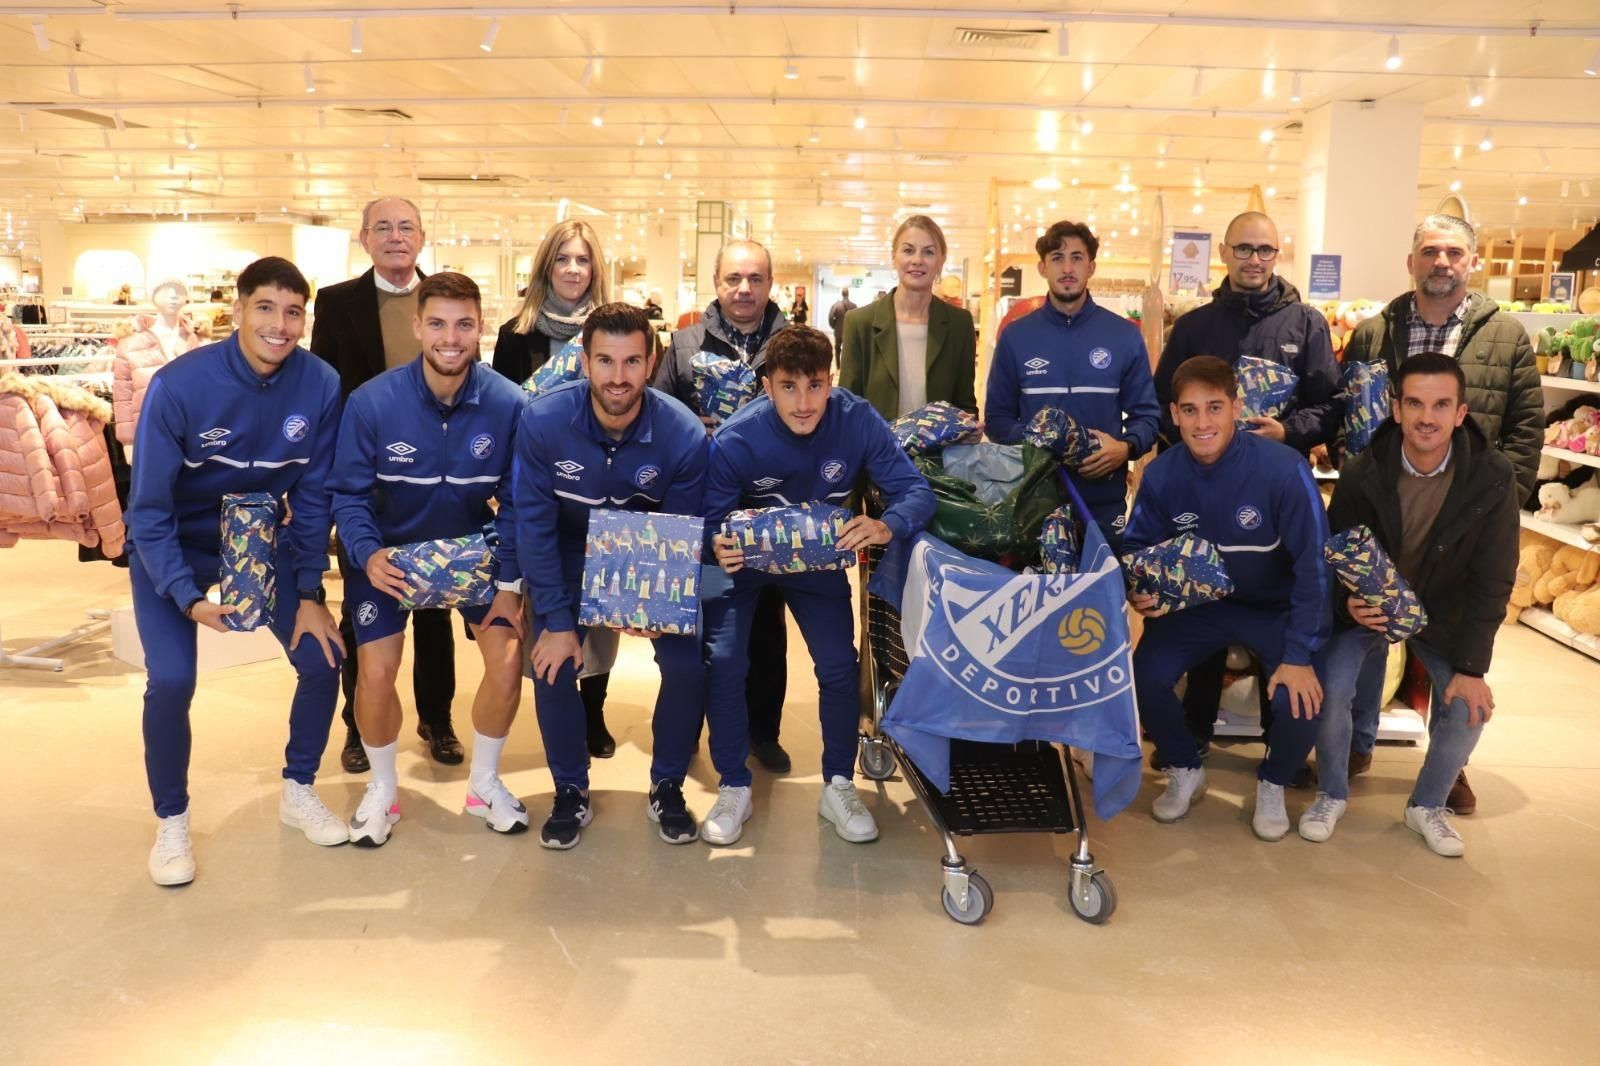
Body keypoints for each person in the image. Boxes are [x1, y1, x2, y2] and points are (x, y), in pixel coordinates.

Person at [126, 256, 348, 886]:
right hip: (174, 544)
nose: (281, 325)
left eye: (294, 311)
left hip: (257, 539)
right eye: (266, 308)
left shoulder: (322, 384)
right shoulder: (178, 385)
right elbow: (147, 508)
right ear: (238, 311)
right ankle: (172, 819)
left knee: (323, 656)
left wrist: (309, 590)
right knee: (170, 679)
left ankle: (298, 788)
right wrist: (185, 594)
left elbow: (313, 499)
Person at [696, 325, 936, 845]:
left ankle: (837, 783)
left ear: (831, 381)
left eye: (816, 385)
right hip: (744, 563)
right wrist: (715, 541)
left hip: (817, 562)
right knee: (724, 658)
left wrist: (885, 524)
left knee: (836, 664)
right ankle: (734, 783)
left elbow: (915, 491)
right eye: (788, 387)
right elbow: (707, 518)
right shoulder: (738, 437)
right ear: (767, 386)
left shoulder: (856, 419)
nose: (804, 403)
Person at [1339, 213, 1543, 815]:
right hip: (1384, 508)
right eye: (1430, 252)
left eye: (1454, 253)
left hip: (1464, 517)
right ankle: (1357, 742)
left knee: (1450, 642)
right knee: (1369, 631)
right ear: (1411, 261)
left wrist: (1496, 502)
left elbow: (1526, 426)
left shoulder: (1504, 335)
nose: (1441, 263)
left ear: (1472, 262)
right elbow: (1349, 414)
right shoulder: (1376, 332)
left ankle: (1450, 767)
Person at [328, 272, 530, 846]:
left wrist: (510, 577)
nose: (450, 337)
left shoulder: (509, 404)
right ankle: (383, 790)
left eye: (464, 324)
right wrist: (367, 556)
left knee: (509, 659)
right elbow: (350, 494)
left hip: (474, 556)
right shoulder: (371, 402)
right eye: (437, 323)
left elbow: (520, 501)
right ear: (417, 325)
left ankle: (484, 784)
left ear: (480, 328)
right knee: (374, 672)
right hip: (388, 559)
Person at [1303, 352, 1517, 855]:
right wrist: (1346, 606)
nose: (1427, 416)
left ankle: (1427, 805)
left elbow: (1494, 577)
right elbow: (1334, 554)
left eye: (1441, 404)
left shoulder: (1492, 475)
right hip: (1372, 606)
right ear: (1395, 408)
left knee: (1469, 706)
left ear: (1460, 413)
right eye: (1415, 403)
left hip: (1445, 612)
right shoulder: (1363, 471)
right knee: (1331, 686)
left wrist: (1471, 666)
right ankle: (1330, 792)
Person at [514, 302, 709, 849]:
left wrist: (649, 606)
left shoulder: (683, 433)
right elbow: (535, 526)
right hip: (570, 553)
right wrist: (554, 620)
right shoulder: (543, 421)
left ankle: (667, 783)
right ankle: (570, 791)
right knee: (552, 661)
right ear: (584, 361)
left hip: (648, 553)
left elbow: (677, 529)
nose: (617, 377)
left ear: (651, 363)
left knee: (686, 663)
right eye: (605, 361)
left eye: (630, 362)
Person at [1151, 210, 1341, 762]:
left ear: (1277, 255)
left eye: (1264, 250)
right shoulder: (1193, 326)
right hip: (1205, 491)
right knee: (1202, 607)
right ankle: (1192, 733)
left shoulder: (1306, 323)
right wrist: (1194, 447)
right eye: (1243, 249)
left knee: (1274, 612)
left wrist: (1288, 431)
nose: (1253, 260)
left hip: (1278, 492)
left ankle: (1278, 746)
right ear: (1224, 254)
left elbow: (1330, 406)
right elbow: (1165, 405)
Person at [1123, 356, 1331, 841]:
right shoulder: (1161, 475)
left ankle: (1274, 780)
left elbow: (1313, 567)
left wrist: (1300, 654)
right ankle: (1184, 768)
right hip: (1198, 609)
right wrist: (1141, 588)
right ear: (1173, 414)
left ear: (1237, 407)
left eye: (1214, 408)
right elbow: (1136, 549)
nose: (1202, 423)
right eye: (1190, 411)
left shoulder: (1284, 470)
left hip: (1272, 607)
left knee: (1304, 697)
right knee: (1146, 674)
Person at [312, 196, 461, 772]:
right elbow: (328, 394)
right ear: (364, 238)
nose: (395, 236)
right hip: (369, 485)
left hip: (438, 484)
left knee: (436, 611)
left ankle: (437, 718)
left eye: (406, 227)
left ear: (422, 236)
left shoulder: (442, 299)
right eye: (383, 227)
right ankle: (358, 726)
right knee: (364, 610)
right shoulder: (339, 302)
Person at [654, 239, 794, 774]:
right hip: (698, 502)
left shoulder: (791, 341)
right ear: (715, 283)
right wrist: (695, 428)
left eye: (755, 278)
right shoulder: (686, 342)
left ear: (770, 284)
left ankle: (764, 731)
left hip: (766, 505)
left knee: (765, 626)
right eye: (734, 278)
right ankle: (687, 725)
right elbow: (658, 408)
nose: (744, 289)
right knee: (692, 618)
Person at [490, 218, 619, 759]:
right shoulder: (515, 335)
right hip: (543, 486)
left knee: (602, 613)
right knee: (551, 605)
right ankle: (561, 712)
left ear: (596, 270)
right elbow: (501, 415)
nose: (572, 269)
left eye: (582, 259)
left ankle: (594, 710)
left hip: (605, 488)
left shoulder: (617, 328)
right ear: (546, 266)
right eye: (562, 259)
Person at [983, 220, 1160, 548]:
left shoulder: (1123, 336)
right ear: (1042, 267)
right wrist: (1047, 445)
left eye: (1077, 258)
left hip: (1102, 503)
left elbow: (1148, 417)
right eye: (1057, 257)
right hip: (1033, 503)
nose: (1067, 268)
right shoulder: (1016, 337)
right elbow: (997, 420)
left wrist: (1125, 448)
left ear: (1091, 267)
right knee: (1038, 598)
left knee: (1101, 596)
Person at [838, 215, 978, 421]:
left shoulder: (959, 324)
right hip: (877, 450)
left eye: (928, 252)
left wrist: (969, 425)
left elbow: (965, 403)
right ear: (894, 256)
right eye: (908, 250)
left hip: (939, 452)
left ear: (941, 261)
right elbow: (847, 405)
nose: (917, 260)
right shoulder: (860, 323)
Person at [113, 278, 204, 449]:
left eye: (179, 290)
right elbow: (122, 395)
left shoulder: (199, 340)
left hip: (195, 436)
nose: (173, 295)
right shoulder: (130, 343)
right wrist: (128, 442)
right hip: (150, 437)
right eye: (165, 289)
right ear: (153, 296)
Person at [826, 290, 857, 366]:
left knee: (837, 348)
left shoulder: (836, 305)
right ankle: (846, 365)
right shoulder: (854, 306)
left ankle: (838, 366)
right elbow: (857, 319)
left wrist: (834, 326)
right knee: (848, 349)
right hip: (850, 332)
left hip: (838, 331)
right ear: (848, 294)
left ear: (842, 294)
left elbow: (830, 317)